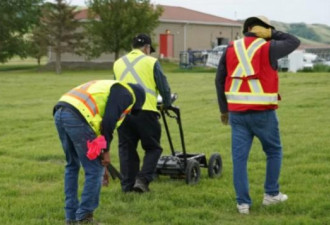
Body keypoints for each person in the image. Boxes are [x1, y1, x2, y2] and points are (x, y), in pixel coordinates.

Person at [215, 16, 300, 214]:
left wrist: (223, 110)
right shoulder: (267, 47)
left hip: (237, 114)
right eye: (266, 28)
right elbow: (294, 41)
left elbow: (219, 80)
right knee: (273, 151)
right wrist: (272, 34)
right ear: (259, 29)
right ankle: (271, 195)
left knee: (239, 159)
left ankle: (242, 204)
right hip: (263, 113)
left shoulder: (229, 48)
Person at [53, 80, 145, 224]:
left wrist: (102, 159)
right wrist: (106, 151)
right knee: (94, 171)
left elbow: (98, 125)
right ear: (137, 100)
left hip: (61, 112)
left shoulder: (110, 88)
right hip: (77, 117)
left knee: (72, 166)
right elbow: (108, 121)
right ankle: (84, 218)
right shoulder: (127, 95)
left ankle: (70, 217)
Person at [113, 33, 172, 193]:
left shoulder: (118, 63)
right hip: (146, 111)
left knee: (127, 149)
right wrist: (167, 103)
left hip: (123, 112)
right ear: (146, 48)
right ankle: (142, 180)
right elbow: (163, 86)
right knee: (153, 148)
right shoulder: (151, 61)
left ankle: (127, 186)